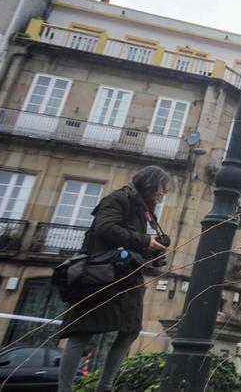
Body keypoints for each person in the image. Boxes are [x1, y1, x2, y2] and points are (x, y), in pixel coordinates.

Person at [56, 165, 170, 392]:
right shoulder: (118, 199)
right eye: (162, 187)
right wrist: (145, 241)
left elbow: (130, 241)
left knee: (130, 329)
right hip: (101, 277)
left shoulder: (142, 209)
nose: (163, 193)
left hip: (125, 279)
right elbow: (105, 228)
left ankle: (104, 387)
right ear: (150, 184)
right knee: (81, 333)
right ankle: (65, 389)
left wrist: (151, 249)